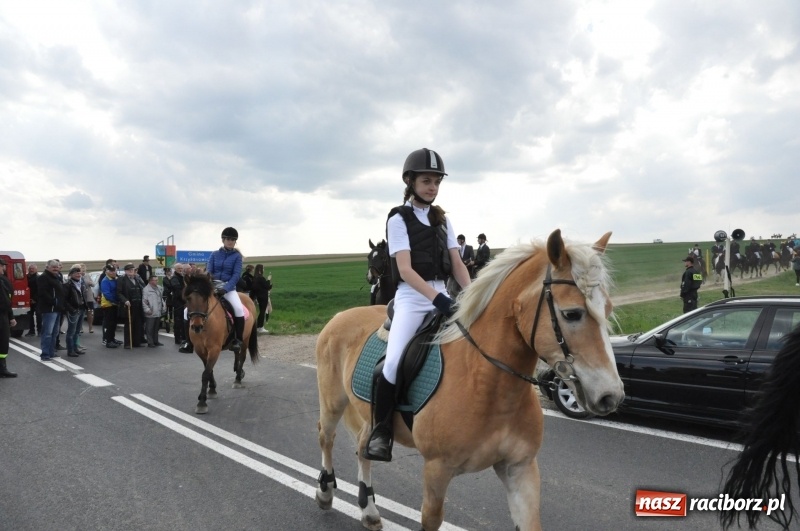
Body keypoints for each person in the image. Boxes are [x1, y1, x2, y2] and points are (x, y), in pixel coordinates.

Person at [364, 148, 472, 462]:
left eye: (437, 182)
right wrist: (439, 300)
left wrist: (476, 297)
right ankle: (381, 431)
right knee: (395, 361)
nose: (432, 187)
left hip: (442, 294)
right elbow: (407, 270)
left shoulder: (442, 219)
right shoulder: (398, 217)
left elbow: (457, 264)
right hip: (412, 298)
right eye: (426, 181)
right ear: (410, 181)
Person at [205, 227, 246, 353]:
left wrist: (226, 289)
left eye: (233, 240)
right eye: (228, 239)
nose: (230, 241)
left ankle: (238, 340)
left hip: (229, 288)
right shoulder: (214, 254)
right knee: (187, 311)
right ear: (223, 240)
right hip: (213, 286)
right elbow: (209, 271)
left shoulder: (237, 256)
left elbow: (236, 275)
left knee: (239, 310)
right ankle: (188, 341)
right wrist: (209, 285)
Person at [37, 259, 64, 361]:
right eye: (53, 267)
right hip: (49, 309)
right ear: (47, 267)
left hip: (57, 308)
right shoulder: (43, 277)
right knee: (47, 332)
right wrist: (53, 302)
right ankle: (45, 354)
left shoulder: (57, 277)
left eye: (57, 267)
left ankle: (51, 352)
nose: (55, 269)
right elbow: (42, 293)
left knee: (55, 332)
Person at [117, 263, 145, 348]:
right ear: (125, 271)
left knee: (138, 323)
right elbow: (119, 293)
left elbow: (142, 289)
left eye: (132, 270)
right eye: (129, 270)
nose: (131, 271)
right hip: (129, 305)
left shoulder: (136, 279)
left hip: (138, 304)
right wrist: (125, 300)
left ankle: (136, 342)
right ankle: (128, 343)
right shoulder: (122, 279)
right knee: (129, 324)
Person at [0, 258, 18, 377]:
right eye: (2, 266)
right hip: (1, 315)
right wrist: (11, 316)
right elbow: (6, 301)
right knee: (2, 342)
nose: (4, 268)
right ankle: (2, 369)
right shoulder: (2, 280)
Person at [63, 266, 86, 357]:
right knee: (71, 331)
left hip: (81, 308)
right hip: (73, 310)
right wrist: (71, 309)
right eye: (76, 273)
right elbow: (64, 300)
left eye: (79, 273)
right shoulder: (68, 285)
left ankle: (75, 347)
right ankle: (70, 349)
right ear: (71, 274)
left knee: (77, 331)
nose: (78, 275)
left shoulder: (81, 283)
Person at [100, 264, 121, 349]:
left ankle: (112, 339)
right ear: (106, 272)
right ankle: (108, 341)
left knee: (113, 323)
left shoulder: (115, 279)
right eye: (111, 271)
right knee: (109, 324)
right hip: (108, 304)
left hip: (114, 304)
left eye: (114, 271)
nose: (113, 272)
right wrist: (116, 301)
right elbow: (107, 294)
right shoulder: (105, 280)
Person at [142, 275, 165, 347]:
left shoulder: (159, 288)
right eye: (155, 280)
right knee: (149, 328)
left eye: (157, 280)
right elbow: (144, 301)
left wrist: (163, 306)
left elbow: (161, 299)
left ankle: (156, 341)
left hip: (158, 311)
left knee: (156, 328)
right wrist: (147, 310)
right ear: (151, 281)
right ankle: (150, 342)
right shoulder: (146, 290)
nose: (157, 281)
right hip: (151, 311)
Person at [172, 264, 190, 351]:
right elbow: (178, 290)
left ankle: (183, 337)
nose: (180, 270)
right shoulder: (175, 278)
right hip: (178, 302)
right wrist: (185, 299)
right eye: (179, 268)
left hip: (184, 302)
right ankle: (177, 338)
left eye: (181, 268)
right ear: (175, 269)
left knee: (184, 320)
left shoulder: (182, 277)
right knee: (178, 321)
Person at [250, 264, 272, 334]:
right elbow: (267, 286)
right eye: (263, 268)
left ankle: (258, 327)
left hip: (258, 296)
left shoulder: (255, 278)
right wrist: (268, 279)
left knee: (261, 312)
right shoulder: (261, 278)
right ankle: (261, 327)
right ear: (260, 270)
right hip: (264, 297)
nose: (263, 270)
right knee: (262, 312)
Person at [25, 263, 41, 337]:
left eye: (33, 268)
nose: (31, 270)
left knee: (39, 315)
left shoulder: (38, 277)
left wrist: (35, 299)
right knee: (29, 316)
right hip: (28, 299)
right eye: (30, 268)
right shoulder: (26, 277)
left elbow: (40, 289)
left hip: (37, 300)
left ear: (36, 269)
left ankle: (40, 331)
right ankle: (31, 331)